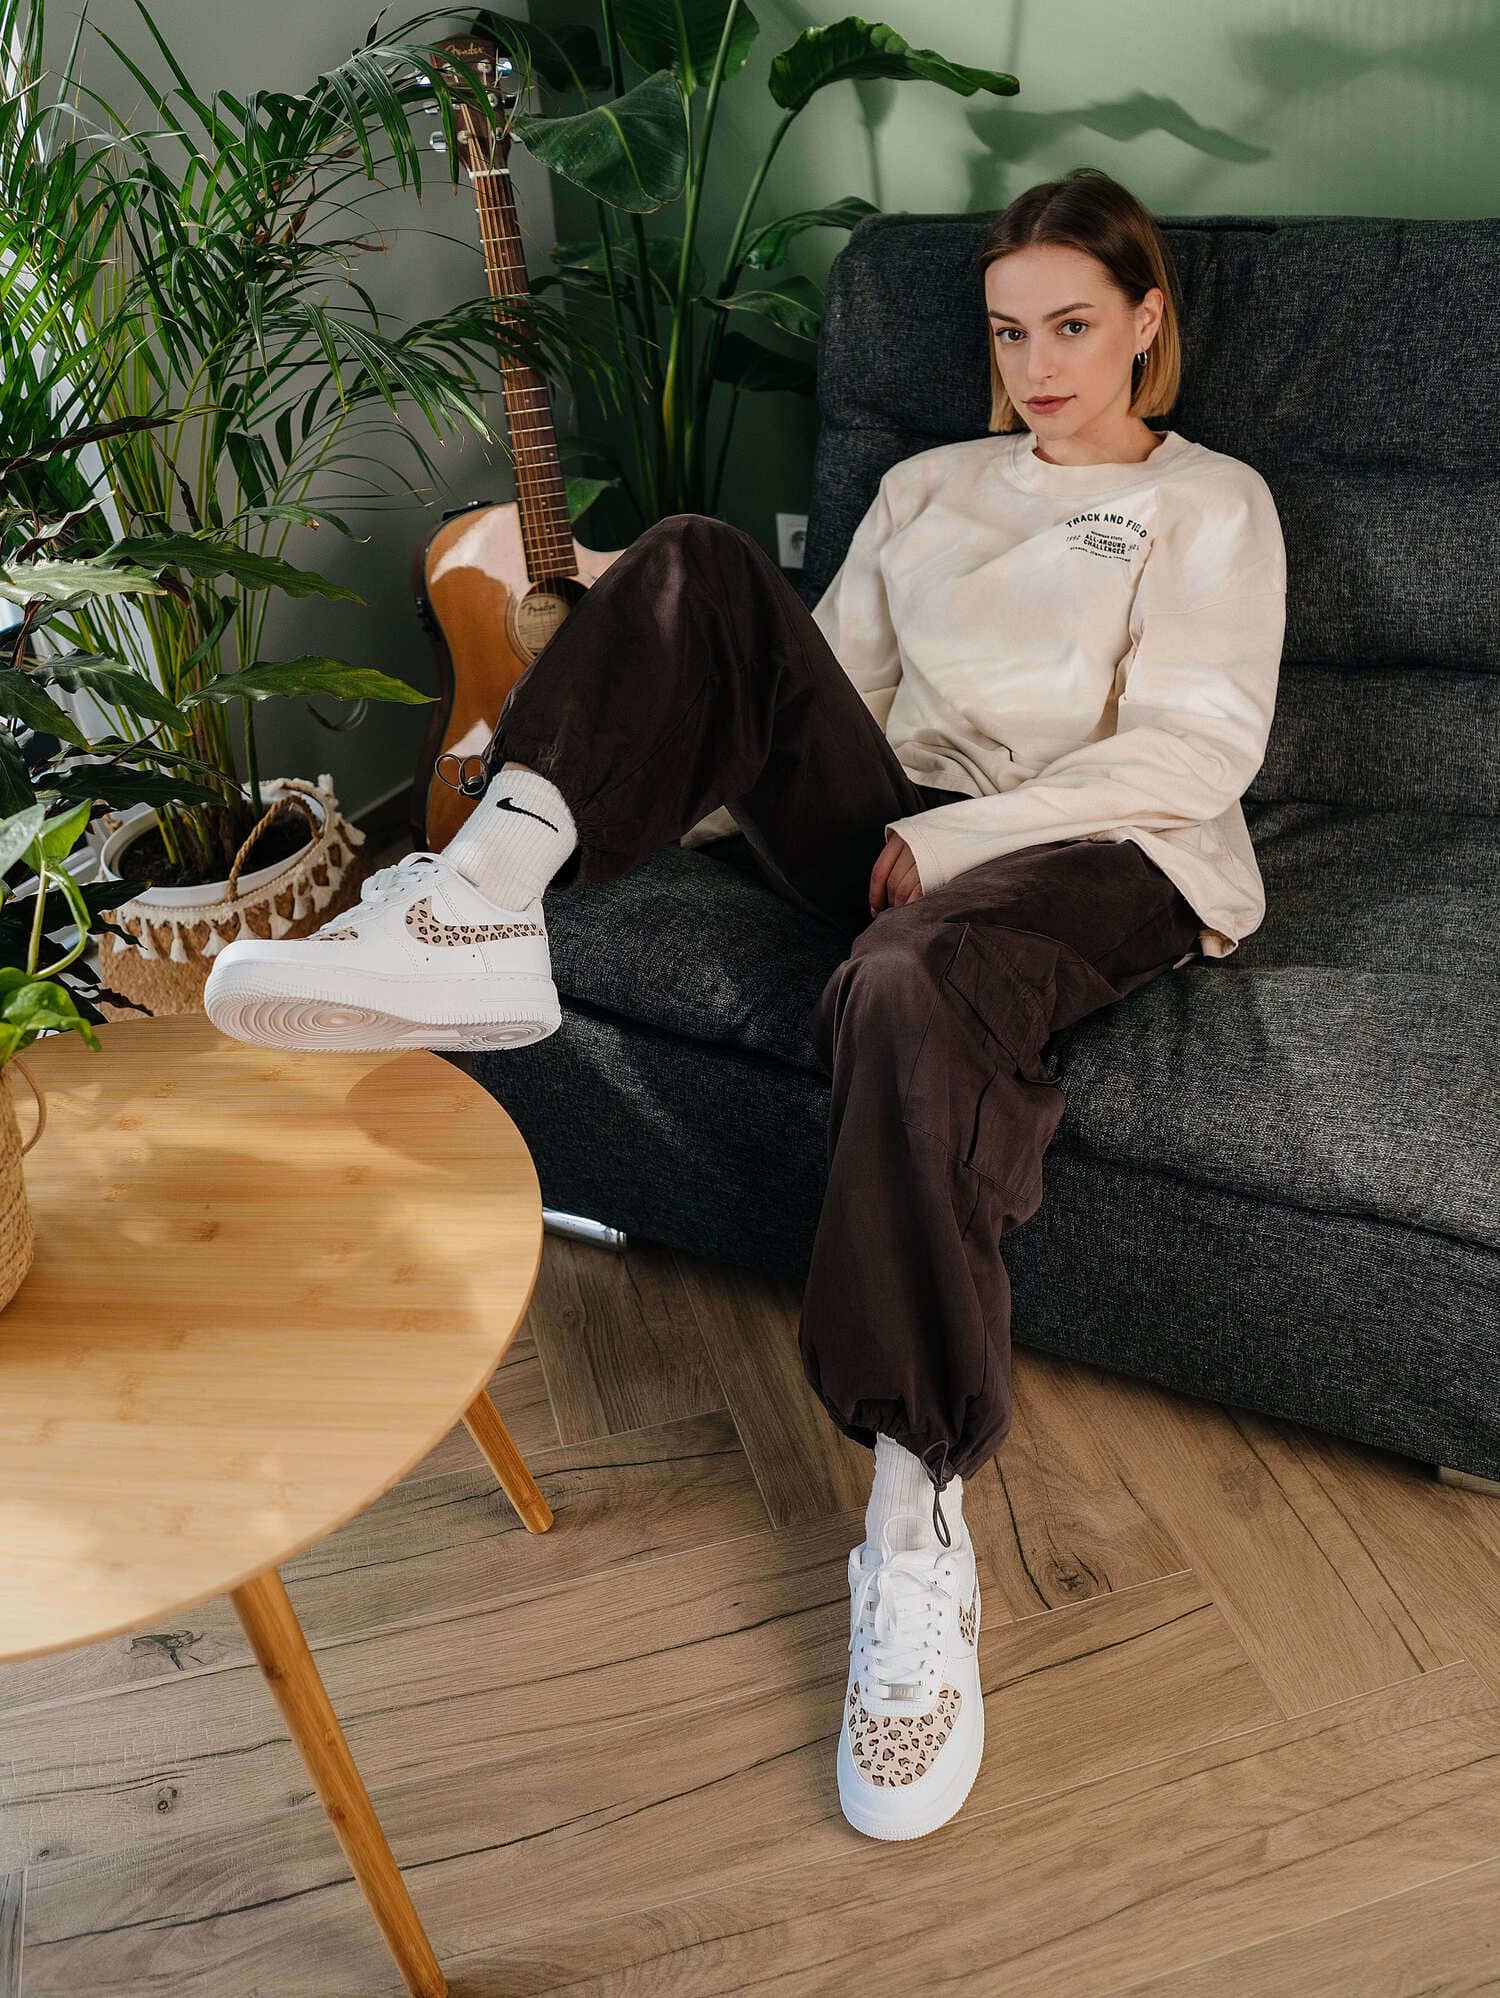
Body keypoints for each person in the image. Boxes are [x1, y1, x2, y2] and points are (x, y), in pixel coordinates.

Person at [204, 165, 1287, 1844]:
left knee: (906, 986)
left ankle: (915, 1513)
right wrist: (618, 724)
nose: (1040, 363)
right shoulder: (930, 484)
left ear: (1149, 321)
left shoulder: (1213, 503)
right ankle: (480, 905)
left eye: (1075, 324)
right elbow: (814, 694)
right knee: (701, 560)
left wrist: (945, 842)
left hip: (1094, 841)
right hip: (901, 812)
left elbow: (1195, 752)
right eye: (1011, 333)